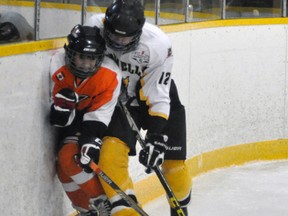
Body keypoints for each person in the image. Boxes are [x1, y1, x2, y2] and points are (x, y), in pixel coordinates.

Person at [85, 1, 192, 215]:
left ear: (139, 31)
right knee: (110, 160)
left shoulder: (158, 44)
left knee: (174, 167)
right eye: (113, 36)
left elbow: (159, 93)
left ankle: (180, 209)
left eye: (124, 38)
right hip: (118, 103)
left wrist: (156, 136)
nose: (117, 42)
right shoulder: (94, 28)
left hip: (158, 98)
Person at [49, 24, 121, 216]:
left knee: (69, 157)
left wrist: (91, 138)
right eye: (82, 57)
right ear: (70, 53)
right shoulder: (57, 65)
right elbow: (56, 116)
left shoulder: (110, 73)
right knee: (63, 168)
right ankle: (86, 211)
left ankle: (103, 201)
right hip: (74, 118)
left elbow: (102, 112)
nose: (86, 65)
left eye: (92, 59)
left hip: (99, 120)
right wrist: (60, 112)